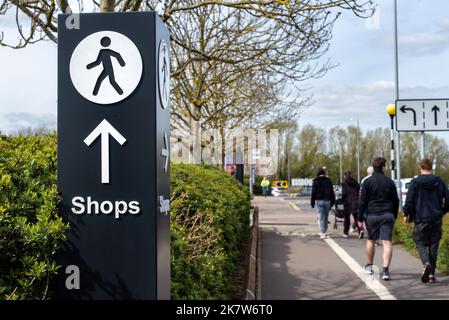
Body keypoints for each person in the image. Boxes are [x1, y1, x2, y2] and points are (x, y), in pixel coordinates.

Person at [403, 158, 449, 284]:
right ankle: (431, 276)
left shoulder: (415, 182)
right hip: (436, 218)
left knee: (419, 242)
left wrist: (406, 214)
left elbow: (409, 201)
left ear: (420, 168)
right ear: (432, 168)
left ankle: (426, 263)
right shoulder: (439, 181)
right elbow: (448, 199)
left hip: (421, 218)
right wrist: (443, 211)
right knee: (433, 246)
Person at [358, 157, 399, 281]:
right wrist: (394, 215)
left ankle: (370, 266)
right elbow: (396, 200)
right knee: (387, 242)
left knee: (371, 240)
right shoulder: (390, 182)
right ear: (383, 167)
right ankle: (385, 271)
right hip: (387, 214)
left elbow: (362, 201)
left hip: (372, 215)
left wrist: (360, 217)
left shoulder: (367, 182)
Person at [311, 166, 336, 239]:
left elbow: (313, 192)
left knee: (321, 216)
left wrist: (312, 202)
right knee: (326, 216)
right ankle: (324, 230)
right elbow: (332, 192)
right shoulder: (328, 181)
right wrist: (333, 201)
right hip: (328, 200)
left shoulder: (316, 181)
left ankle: (323, 232)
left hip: (319, 200)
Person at [341, 171, 360, 238]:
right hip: (355, 201)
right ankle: (360, 230)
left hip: (347, 202)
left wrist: (342, 199)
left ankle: (346, 232)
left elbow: (344, 193)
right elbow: (358, 191)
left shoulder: (344, 183)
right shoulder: (356, 182)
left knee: (347, 218)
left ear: (345, 176)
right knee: (356, 218)